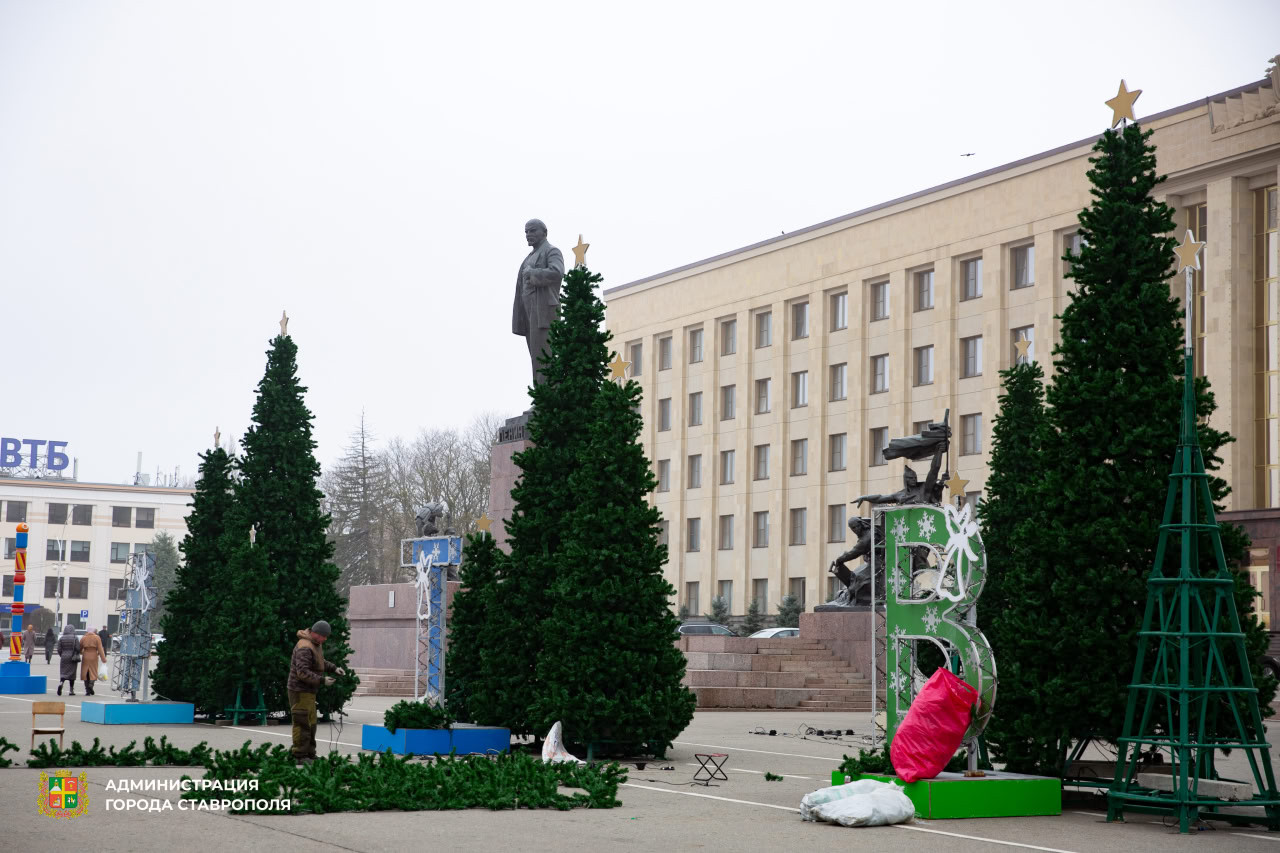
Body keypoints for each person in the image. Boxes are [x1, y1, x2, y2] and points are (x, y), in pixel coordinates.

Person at [511, 219, 565, 386]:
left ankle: (546, 395)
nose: (528, 235)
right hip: (528, 312)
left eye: (532, 231)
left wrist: (533, 273)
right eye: (526, 232)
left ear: (544, 232)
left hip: (544, 312)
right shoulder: (528, 257)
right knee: (535, 355)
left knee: (544, 353)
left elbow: (557, 272)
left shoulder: (552, 251)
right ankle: (541, 394)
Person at [287, 620, 345, 764]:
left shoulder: (315, 644)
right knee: (302, 723)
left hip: (308, 692)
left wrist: (333, 668)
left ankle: (310, 754)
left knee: (311, 723)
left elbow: (320, 661)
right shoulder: (304, 647)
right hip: (299, 691)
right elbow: (302, 673)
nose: (325, 639)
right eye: (323, 636)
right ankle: (299, 756)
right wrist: (322, 680)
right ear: (315, 633)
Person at [79, 627, 106, 696]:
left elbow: (79, 648)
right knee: (93, 672)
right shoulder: (97, 638)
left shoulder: (84, 638)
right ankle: (91, 684)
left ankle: (87, 690)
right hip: (94, 655)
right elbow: (100, 649)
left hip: (85, 656)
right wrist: (103, 659)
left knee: (86, 673)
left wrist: (83, 652)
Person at [56, 624, 80, 696]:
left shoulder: (62, 638)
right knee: (72, 674)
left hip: (64, 657)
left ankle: (61, 683)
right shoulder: (75, 637)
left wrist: (62, 655)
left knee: (63, 673)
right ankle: (71, 690)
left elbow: (59, 649)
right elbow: (78, 648)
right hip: (72, 657)